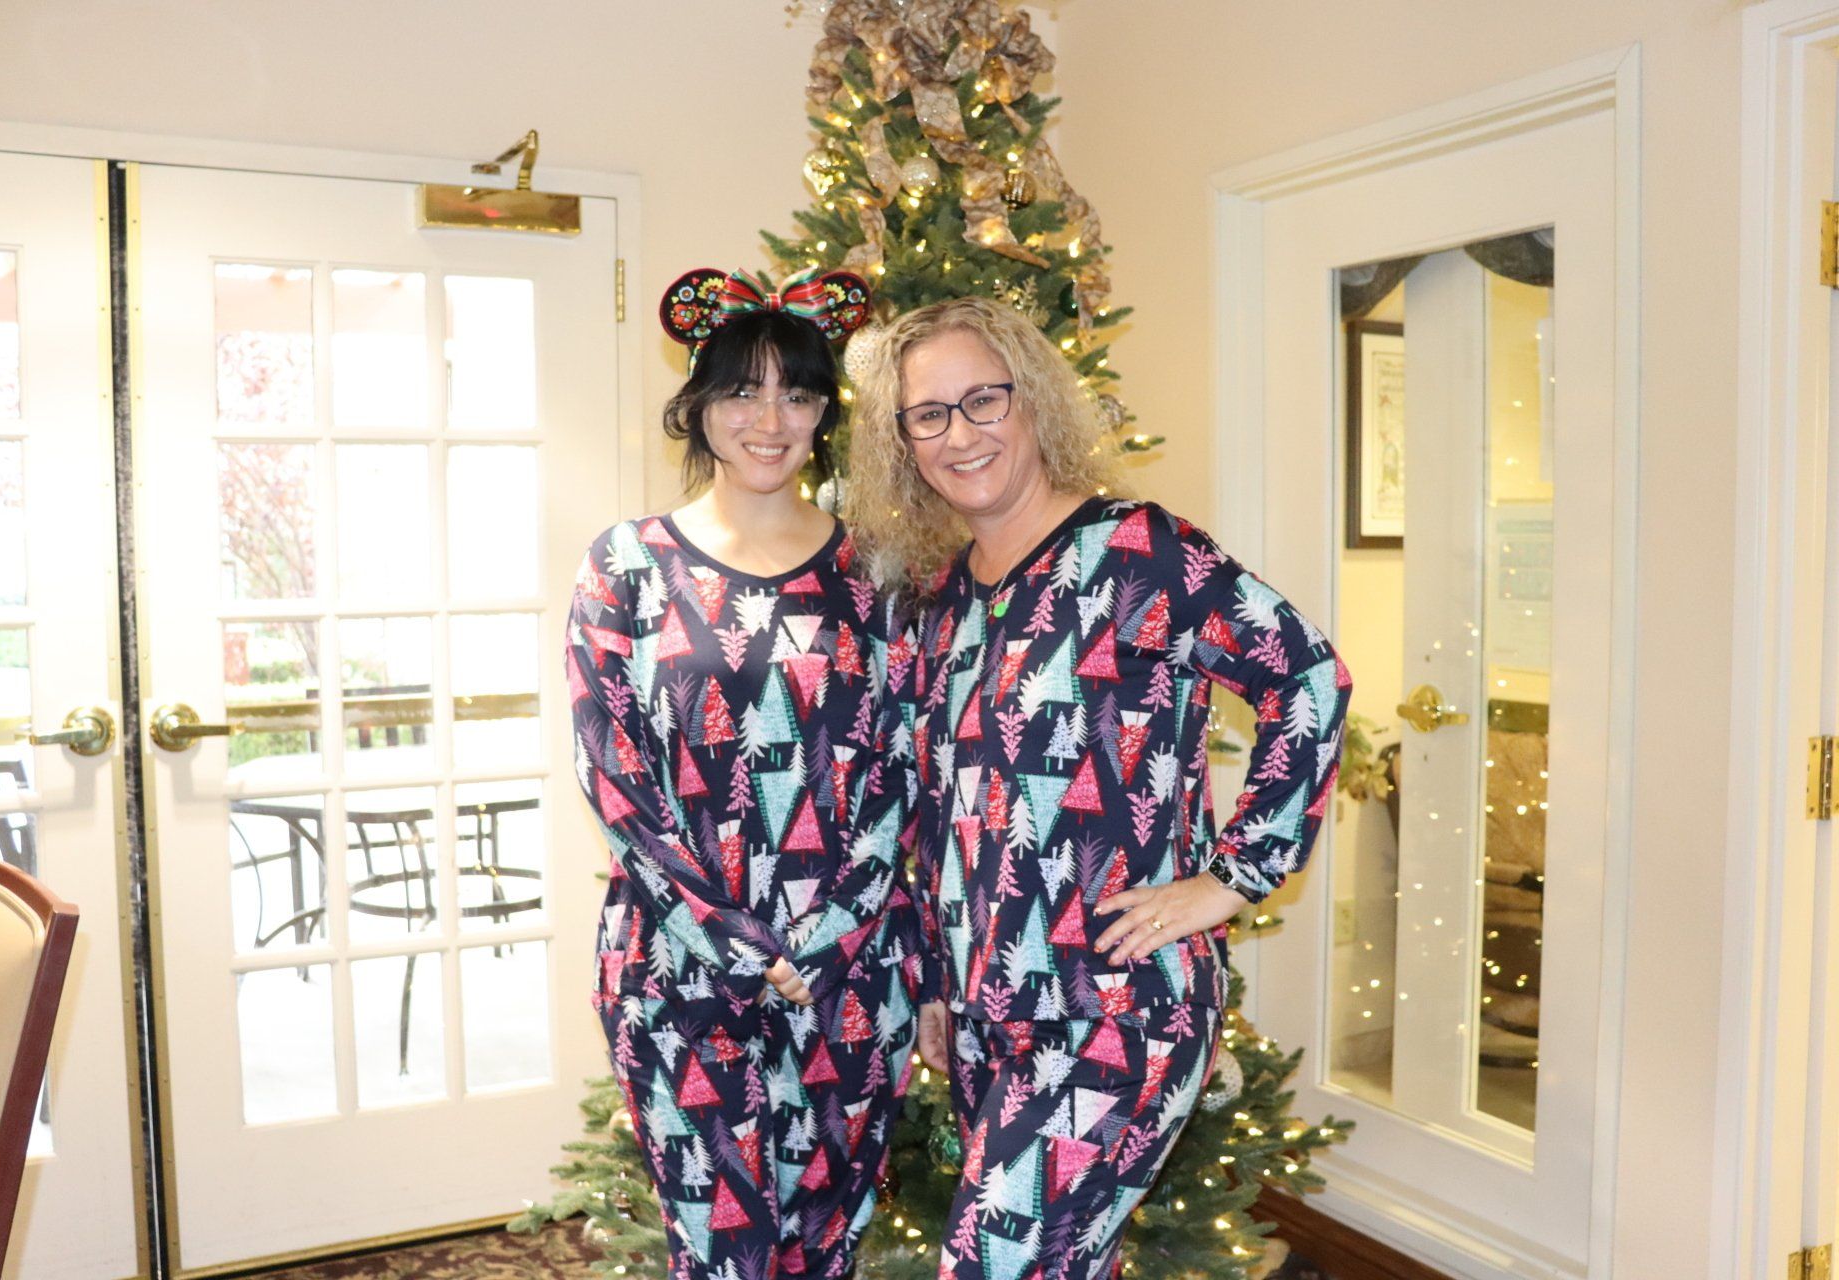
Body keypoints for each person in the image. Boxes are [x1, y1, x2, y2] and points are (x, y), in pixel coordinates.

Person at [846, 296, 1352, 1279]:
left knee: (997, 1263)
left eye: (983, 399)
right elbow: (946, 815)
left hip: (1119, 1002)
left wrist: (1231, 877)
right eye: (930, 414)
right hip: (995, 1008)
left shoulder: (1137, 551)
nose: (962, 432)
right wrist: (941, 985)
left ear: (1031, 401)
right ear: (904, 441)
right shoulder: (941, 598)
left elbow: (1306, 678)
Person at [568, 267, 927, 1280]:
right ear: (697, 404)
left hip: (850, 969)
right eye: (742, 391)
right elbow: (614, 777)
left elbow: (905, 769)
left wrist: (822, 939)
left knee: (826, 1242)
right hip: (675, 965)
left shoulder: (882, 570)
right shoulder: (626, 564)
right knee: (720, 1251)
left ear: (826, 410)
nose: (771, 418)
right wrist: (730, 940)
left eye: (799, 392)